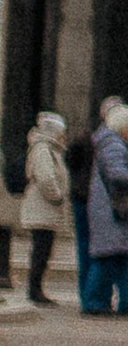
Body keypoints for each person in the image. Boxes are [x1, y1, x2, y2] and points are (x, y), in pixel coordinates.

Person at [82, 100, 128, 314]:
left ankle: (126, 302)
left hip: (110, 208)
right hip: (112, 209)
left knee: (121, 257)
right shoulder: (113, 144)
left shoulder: (109, 142)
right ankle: (96, 302)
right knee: (108, 258)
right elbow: (117, 174)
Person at [19, 112, 67, 306]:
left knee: (43, 249)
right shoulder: (42, 148)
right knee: (41, 250)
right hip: (43, 206)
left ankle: (37, 288)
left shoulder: (50, 148)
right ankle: (34, 289)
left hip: (45, 207)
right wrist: (57, 195)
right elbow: (46, 177)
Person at [63, 118, 94, 306]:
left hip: (80, 196)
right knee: (90, 248)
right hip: (87, 198)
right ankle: (89, 295)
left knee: (84, 247)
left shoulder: (81, 141)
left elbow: (70, 162)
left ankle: (86, 294)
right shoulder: (95, 142)